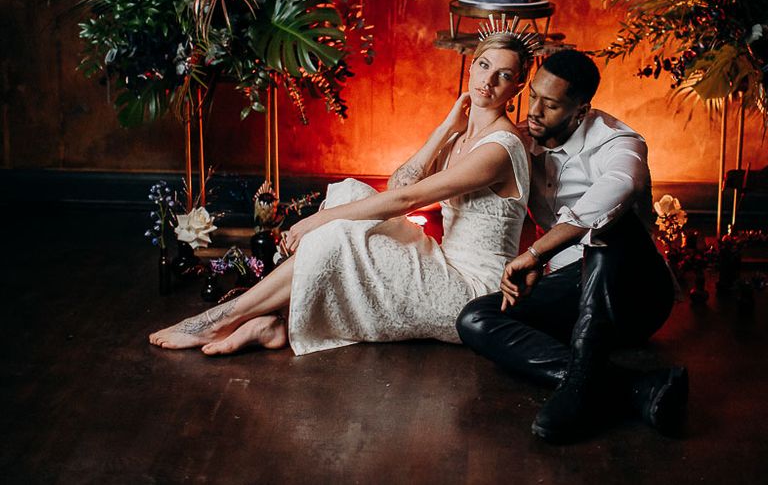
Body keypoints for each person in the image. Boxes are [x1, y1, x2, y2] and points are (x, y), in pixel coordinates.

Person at [149, 30, 534, 356]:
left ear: (517, 86)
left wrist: (318, 219)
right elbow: (401, 182)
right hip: (444, 260)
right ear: (472, 64)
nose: (488, 80)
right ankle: (275, 323)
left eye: (504, 75)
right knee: (350, 192)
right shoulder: (464, 134)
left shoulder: (499, 149)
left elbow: (404, 201)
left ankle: (222, 318)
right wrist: (447, 125)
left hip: (472, 292)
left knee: (336, 232)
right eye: (484, 66)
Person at [456, 49, 687, 442]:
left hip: (634, 295)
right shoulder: (522, 140)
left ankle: (585, 386)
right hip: (572, 291)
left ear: (581, 111)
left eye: (551, 105)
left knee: (611, 222)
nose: (535, 112)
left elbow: (621, 186)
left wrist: (535, 253)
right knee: (475, 319)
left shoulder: (618, 142)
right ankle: (628, 387)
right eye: (532, 97)